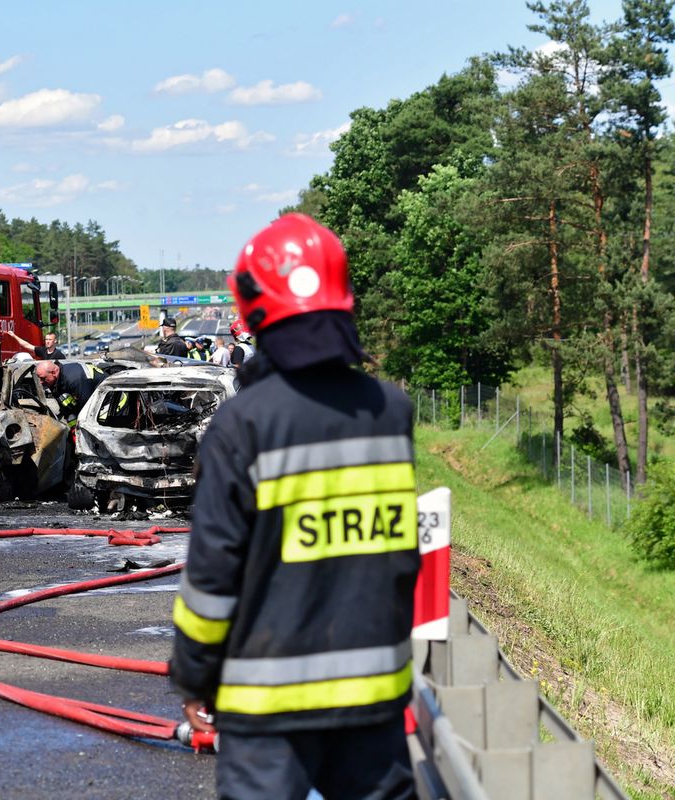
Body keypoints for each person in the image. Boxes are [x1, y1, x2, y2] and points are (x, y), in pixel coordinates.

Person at [170, 213, 419, 800]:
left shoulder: (242, 424)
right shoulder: (390, 412)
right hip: (374, 697)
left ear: (255, 308)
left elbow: (212, 578)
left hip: (266, 708)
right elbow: (399, 555)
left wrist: (194, 674)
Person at [35, 359, 106, 421]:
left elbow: (87, 408)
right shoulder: (56, 379)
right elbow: (65, 409)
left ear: (54, 373)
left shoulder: (74, 379)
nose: (41, 382)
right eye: (39, 378)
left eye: (43, 378)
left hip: (108, 400)